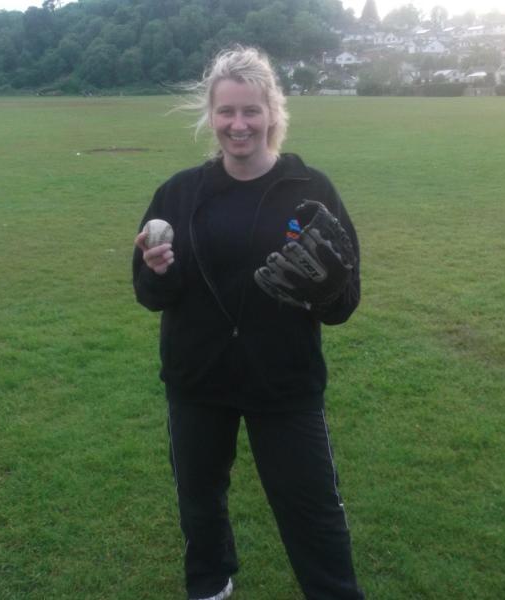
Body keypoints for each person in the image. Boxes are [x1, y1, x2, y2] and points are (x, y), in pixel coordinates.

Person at [132, 46, 365, 600]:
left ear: (273, 113)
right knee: (200, 497)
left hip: (283, 382)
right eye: (227, 112)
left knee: (312, 507)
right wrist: (157, 270)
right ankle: (211, 584)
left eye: (251, 111)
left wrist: (326, 290)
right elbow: (149, 294)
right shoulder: (179, 193)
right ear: (211, 117)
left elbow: (344, 305)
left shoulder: (311, 190)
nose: (239, 125)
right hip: (198, 380)